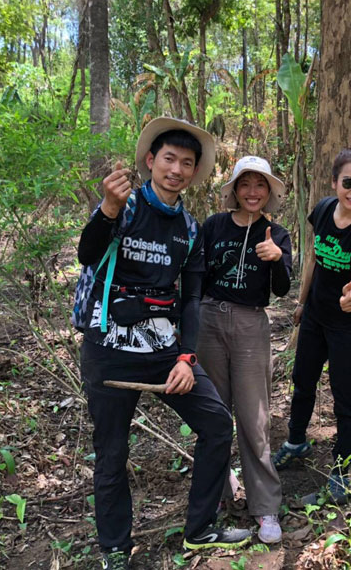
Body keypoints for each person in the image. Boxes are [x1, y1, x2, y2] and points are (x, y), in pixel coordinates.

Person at [77, 117, 251, 570]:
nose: (176, 169)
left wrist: (187, 358)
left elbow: (191, 298)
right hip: (109, 350)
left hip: (163, 351)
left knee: (216, 423)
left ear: (194, 173)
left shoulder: (190, 231)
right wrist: (108, 210)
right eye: (168, 159)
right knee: (112, 450)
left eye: (186, 163)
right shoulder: (127, 207)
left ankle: (199, 530)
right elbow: (88, 252)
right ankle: (115, 549)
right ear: (151, 161)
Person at [273, 144, 351, 504]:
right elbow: (314, 260)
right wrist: (302, 303)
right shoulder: (322, 210)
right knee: (302, 380)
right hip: (315, 317)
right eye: (348, 182)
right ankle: (296, 441)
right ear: (334, 182)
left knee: (345, 396)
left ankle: (341, 471)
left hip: (347, 326)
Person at [197, 155, 292, 544]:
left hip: (252, 322)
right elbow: (197, 275)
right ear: (234, 190)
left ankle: (265, 506)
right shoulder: (215, 225)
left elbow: (283, 289)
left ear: (269, 192)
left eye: (260, 185)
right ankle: (216, 495)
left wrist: (278, 260)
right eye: (245, 184)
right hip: (209, 320)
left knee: (254, 418)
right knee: (213, 413)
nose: (253, 192)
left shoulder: (276, 232)